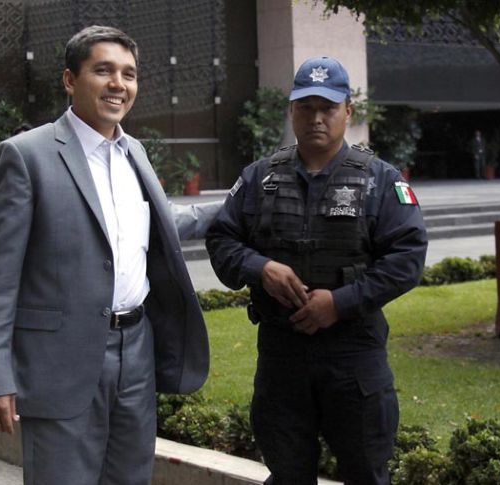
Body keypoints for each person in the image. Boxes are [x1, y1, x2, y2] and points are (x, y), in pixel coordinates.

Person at [0, 25, 220, 485]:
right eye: (103, 71)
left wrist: (233, 203)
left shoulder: (134, 153)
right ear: (70, 79)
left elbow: (152, 226)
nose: (118, 84)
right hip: (59, 361)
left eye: (129, 74)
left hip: (136, 352)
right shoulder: (26, 156)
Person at [205, 56, 428, 484]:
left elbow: (407, 258)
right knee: (287, 474)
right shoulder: (259, 178)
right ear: (292, 111)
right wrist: (260, 268)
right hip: (282, 354)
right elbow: (221, 240)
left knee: (366, 473)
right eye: (305, 107)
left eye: (328, 107)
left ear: (348, 111)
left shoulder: (381, 180)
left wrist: (340, 303)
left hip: (353, 354)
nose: (316, 118)